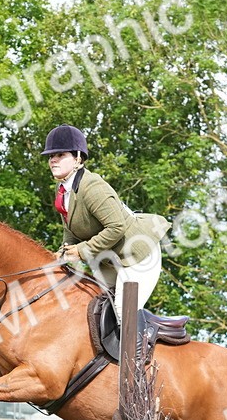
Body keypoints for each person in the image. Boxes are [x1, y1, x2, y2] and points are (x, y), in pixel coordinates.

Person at [44, 124, 171, 321]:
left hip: (138, 254)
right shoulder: (62, 190)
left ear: (78, 158)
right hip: (109, 259)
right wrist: (62, 254)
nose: (53, 160)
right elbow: (70, 229)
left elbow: (117, 227)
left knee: (122, 312)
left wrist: (81, 251)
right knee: (94, 308)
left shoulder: (92, 187)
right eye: (51, 156)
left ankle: (144, 342)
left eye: (60, 155)